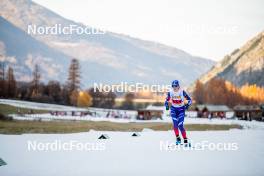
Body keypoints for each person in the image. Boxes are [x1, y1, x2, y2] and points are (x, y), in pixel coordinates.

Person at [165, 80, 192, 145]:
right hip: (173, 109)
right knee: (175, 124)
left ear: (178, 86)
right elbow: (166, 100)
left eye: (176, 86)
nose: (174, 87)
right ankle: (178, 138)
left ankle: (185, 138)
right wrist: (166, 105)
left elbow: (189, 100)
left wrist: (187, 105)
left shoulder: (182, 92)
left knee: (180, 125)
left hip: (181, 109)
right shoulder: (170, 92)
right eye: (173, 86)